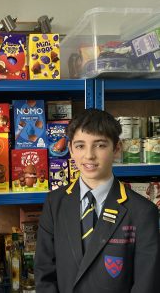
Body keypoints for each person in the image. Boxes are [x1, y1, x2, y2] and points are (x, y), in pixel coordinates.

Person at [34, 108, 160, 293]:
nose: (89, 155)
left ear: (117, 149)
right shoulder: (55, 202)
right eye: (80, 146)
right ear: (70, 150)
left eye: (100, 145)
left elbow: (146, 282)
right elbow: (44, 271)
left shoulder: (141, 211)